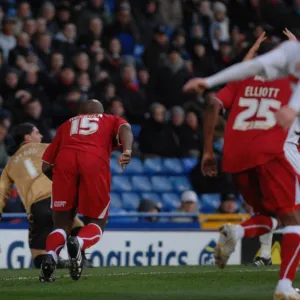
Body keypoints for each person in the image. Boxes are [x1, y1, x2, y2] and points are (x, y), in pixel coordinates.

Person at [191, 30, 300, 299]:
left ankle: (236, 231)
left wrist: (207, 151)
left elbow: (213, 103)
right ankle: (285, 286)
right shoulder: (291, 78)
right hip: (275, 153)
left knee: (271, 217)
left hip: (237, 157)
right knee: (295, 220)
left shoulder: (242, 79)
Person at [40, 99, 133, 282]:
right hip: (93, 160)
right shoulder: (109, 119)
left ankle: (50, 255)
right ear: (101, 111)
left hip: (64, 162)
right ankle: (79, 242)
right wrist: (127, 149)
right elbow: (125, 128)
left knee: (61, 224)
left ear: (79, 112)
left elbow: (45, 166)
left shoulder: (67, 124)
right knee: (97, 221)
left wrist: (61, 181)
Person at [0, 123, 85, 269]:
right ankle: (81, 259)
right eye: (37, 133)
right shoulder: (48, 147)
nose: (41, 136)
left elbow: (2, 192)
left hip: (38, 205)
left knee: (38, 254)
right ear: (27, 137)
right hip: (61, 197)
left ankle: (54, 263)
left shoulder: (10, 164)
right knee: (76, 226)